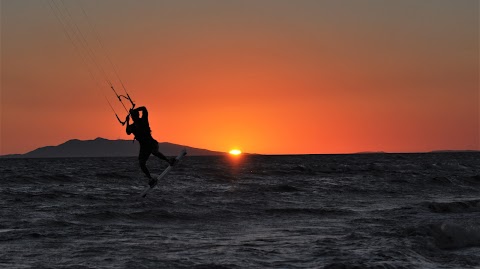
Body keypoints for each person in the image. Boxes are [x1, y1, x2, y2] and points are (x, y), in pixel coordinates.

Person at [126, 106, 175, 186]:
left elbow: (144, 108)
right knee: (141, 163)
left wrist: (135, 110)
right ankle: (150, 178)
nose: (134, 118)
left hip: (151, 143)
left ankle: (169, 161)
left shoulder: (143, 120)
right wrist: (127, 122)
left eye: (135, 115)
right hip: (143, 147)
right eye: (133, 117)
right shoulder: (132, 126)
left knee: (154, 152)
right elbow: (128, 132)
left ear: (138, 115)